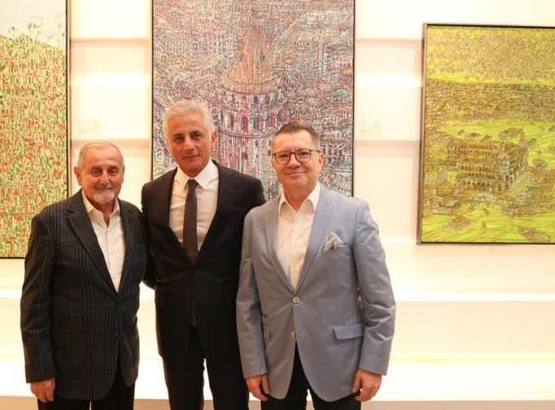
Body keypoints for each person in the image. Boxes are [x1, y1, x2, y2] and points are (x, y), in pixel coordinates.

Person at [236, 122, 395, 410]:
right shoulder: (255, 220)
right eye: (283, 155)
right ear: (273, 163)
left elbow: (379, 299)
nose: (293, 162)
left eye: (303, 153)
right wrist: (252, 364)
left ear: (320, 159)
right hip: (277, 363)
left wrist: (373, 364)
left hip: (340, 361)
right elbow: (248, 302)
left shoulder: (353, 213)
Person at [142, 99, 265, 409]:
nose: (188, 145)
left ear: (213, 137)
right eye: (178, 137)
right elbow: (150, 257)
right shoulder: (152, 192)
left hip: (229, 325)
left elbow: (259, 258)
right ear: (168, 143)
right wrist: (171, 287)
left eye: (196, 135)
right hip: (175, 324)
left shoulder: (246, 190)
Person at [21, 142, 147, 410]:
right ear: (78, 174)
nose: (105, 178)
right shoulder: (51, 221)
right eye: (95, 171)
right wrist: (39, 370)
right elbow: (34, 303)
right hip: (66, 371)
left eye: (113, 170)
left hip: (120, 367)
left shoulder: (135, 219)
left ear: (123, 174)